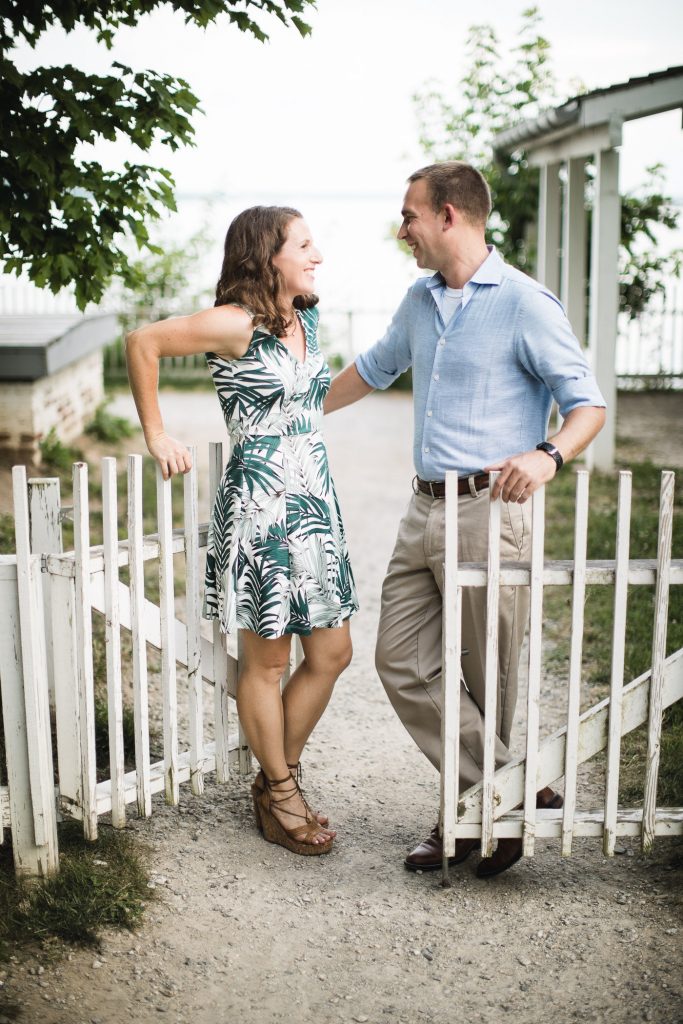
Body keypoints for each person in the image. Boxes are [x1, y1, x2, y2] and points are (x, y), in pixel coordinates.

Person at [324, 162, 606, 877]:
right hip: (422, 508)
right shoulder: (418, 301)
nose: (402, 230)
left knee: (487, 682)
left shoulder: (522, 303)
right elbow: (373, 367)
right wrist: (295, 412)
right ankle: (514, 790)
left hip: (489, 510)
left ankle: (465, 817)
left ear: (449, 216)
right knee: (398, 659)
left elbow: (587, 404)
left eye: (410, 215)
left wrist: (548, 455)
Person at [126, 206, 359, 857]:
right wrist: (157, 433)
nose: (317, 255)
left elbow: (312, 400)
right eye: (304, 245)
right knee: (270, 660)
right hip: (261, 507)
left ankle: (272, 779)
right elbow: (141, 342)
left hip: (314, 500)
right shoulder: (233, 324)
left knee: (332, 653)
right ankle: (281, 793)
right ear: (267, 254)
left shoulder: (305, 318)